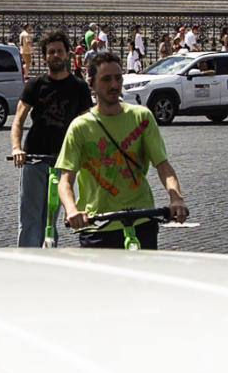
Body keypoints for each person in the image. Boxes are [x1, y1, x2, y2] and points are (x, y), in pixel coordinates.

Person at [55, 50, 186, 249]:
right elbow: (65, 179)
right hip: (98, 226)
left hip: (141, 221)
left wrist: (176, 198)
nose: (114, 85)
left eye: (118, 78)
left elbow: (163, 165)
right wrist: (71, 209)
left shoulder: (142, 117)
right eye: (106, 79)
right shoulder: (80, 127)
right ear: (92, 83)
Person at [10, 31, 91, 248]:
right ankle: (27, 259)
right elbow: (18, 120)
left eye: (59, 51)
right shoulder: (35, 85)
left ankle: (48, 258)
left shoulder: (79, 87)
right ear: (44, 56)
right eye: (51, 52)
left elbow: (87, 125)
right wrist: (17, 148)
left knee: (51, 220)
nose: (56, 55)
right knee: (30, 220)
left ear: (67, 54)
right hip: (34, 158)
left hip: (64, 162)